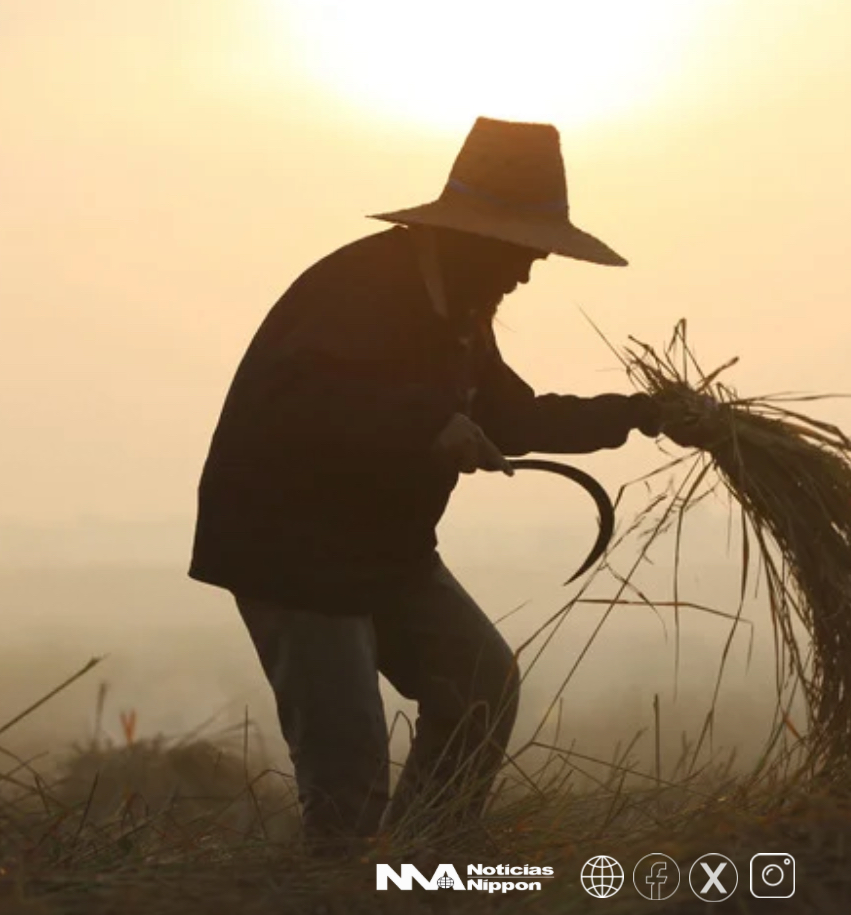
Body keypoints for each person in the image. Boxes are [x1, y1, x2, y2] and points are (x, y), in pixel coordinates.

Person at [188, 117, 673, 852]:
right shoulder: (355, 288)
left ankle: (425, 860)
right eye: (520, 253)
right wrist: (424, 423)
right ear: (471, 236)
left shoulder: (463, 313)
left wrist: (643, 414)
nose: (524, 274)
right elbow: (297, 402)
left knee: (480, 685)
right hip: (294, 554)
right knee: (348, 775)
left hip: (387, 550)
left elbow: (512, 416)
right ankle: (344, 885)